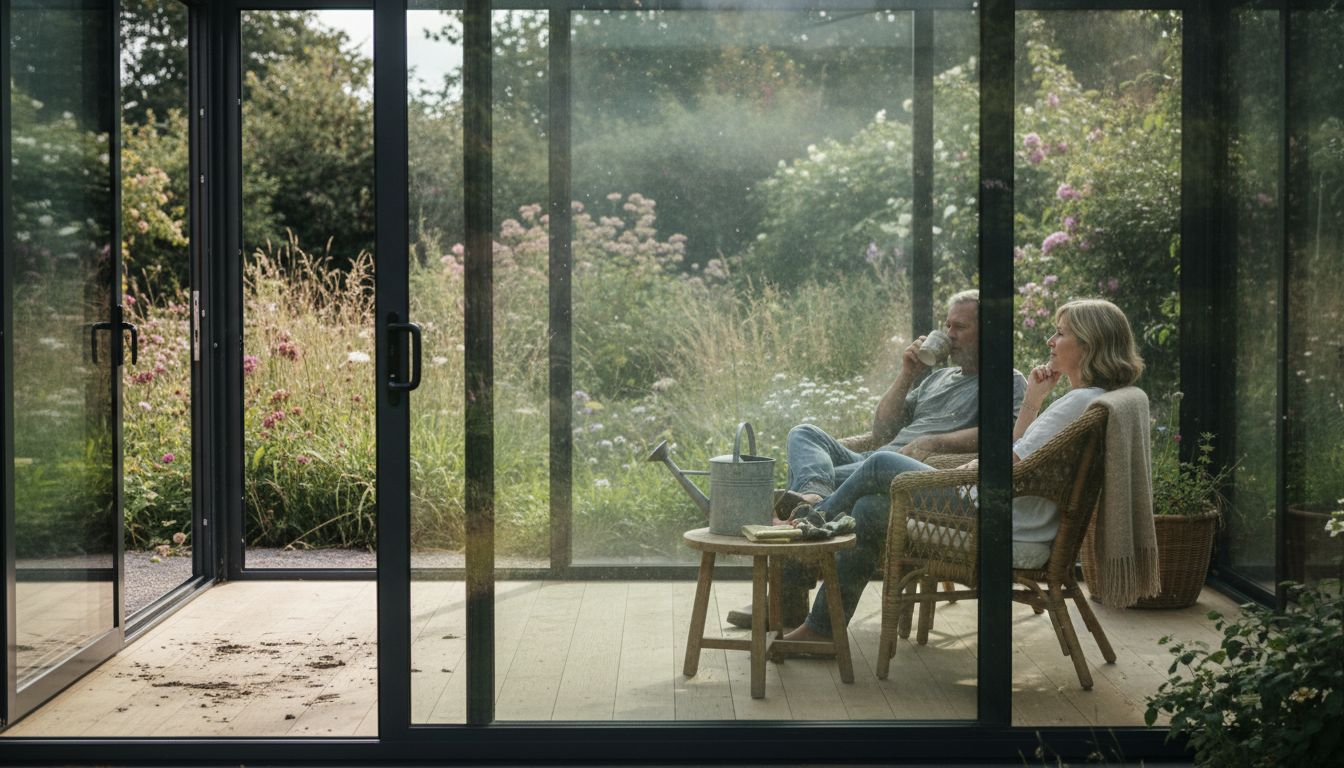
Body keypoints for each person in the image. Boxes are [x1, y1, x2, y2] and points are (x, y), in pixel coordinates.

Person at [779, 297, 1145, 645]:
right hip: (990, 503)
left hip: (986, 510)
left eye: (1060, 333)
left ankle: (809, 525)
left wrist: (970, 465)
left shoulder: (1076, 403)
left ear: (1087, 345)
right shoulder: (1082, 400)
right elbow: (1019, 452)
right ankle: (822, 627)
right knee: (870, 508)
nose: (1050, 341)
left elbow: (1009, 463)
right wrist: (1033, 401)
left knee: (880, 464)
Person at [726, 289, 1027, 629]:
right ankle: (813, 498)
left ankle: (789, 590)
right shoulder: (938, 378)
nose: (949, 335)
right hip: (875, 459)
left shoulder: (1007, 380)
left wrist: (935, 441)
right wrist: (907, 374)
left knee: (857, 491)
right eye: (947, 326)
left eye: (960, 327)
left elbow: (1007, 434)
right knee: (804, 433)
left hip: (913, 472)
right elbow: (882, 430)